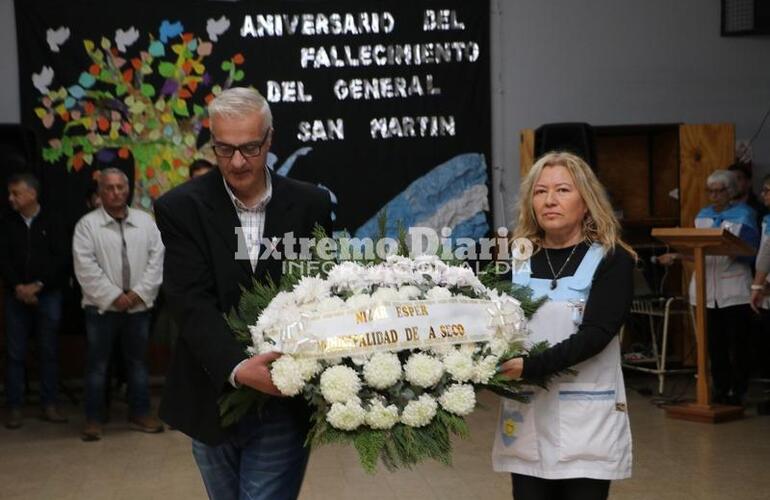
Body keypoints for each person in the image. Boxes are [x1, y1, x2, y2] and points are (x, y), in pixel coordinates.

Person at [154, 87, 332, 500]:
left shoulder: (311, 204)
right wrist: (237, 366)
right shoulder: (180, 208)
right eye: (224, 149)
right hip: (211, 393)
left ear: (269, 140)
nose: (237, 162)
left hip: (283, 396)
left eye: (250, 148)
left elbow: (320, 289)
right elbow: (189, 300)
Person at [493, 152, 635, 500]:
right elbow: (490, 326)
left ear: (586, 201)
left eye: (562, 190)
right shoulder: (515, 260)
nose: (550, 200)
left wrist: (531, 367)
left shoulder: (611, 259)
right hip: (527, 414)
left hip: (586, 420)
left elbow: (596, 335)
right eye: (540, 192)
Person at [72, 168, 165, 441]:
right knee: (97, 366)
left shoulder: (146, 222)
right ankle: (93, 419)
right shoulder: (87, 225)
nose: (115, 193)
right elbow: (85, 268)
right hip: (101, 309)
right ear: (100, 192)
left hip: (138, 307)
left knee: (138, 364)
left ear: (128, 190)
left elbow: (156, 261)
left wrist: (136, 294)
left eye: (120, 187)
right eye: (109, 188)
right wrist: (115, 296)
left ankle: (140, 413)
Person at [658, 169, 757, 406]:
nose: (713, 196)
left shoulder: (744, 215)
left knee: (737, 343)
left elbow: (752, 251)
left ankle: (738, 390)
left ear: (730, 191)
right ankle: (719, 388)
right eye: (710, 191)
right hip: (706, 290)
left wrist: (731, 249)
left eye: (718, 191)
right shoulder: (703, 216)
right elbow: (698, 249)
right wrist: (678, 255)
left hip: (733, 288)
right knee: (714, 344)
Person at [0, 172, 69, 429]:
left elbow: (61, 259)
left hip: (47, 294)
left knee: (48, 351)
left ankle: (49, 404)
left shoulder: (53, 220)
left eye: (16, 193)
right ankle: (15, 407)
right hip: (15, 295)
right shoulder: (6, 222)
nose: (11, 198)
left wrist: (38, 286)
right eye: (10, 193)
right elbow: (3, 259)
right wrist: (18, 287)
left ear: (32, 194)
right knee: (15, 353)